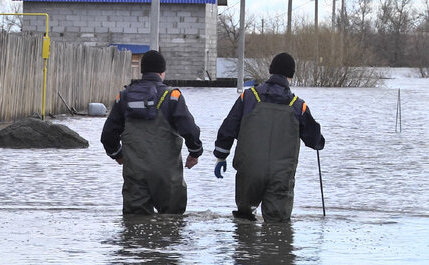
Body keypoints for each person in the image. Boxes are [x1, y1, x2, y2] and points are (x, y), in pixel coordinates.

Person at [213, 52, 325, 222]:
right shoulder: (298, 105)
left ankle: (245, 245)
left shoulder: (248, 97)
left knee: (244, 220)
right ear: (291, 76)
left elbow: (228, 129)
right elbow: (314, 140)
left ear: (271, 71)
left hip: (249, 171)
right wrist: (318, 139)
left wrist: (221, 156)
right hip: (281, 176)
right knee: (277, 225)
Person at [101, 50, 203, 215]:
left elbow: (107, 136)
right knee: (172, 225)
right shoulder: (173, 96)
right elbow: (190, 130)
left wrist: (118, 155)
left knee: (135, 226)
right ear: (162, 73)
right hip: (167, 176)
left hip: (134, 173)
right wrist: (195, 152)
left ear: (143, 71)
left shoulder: (124, 97)